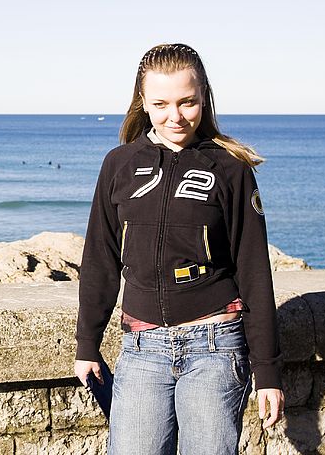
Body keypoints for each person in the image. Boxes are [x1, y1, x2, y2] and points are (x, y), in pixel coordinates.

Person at [73, 43, 285, 454]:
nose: (176, 116)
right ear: (143, 102)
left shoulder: (230, 169)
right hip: (141, 350)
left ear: (203, 96)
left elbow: (254, 271)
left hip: (216, 347)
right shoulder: (118, 164)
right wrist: (87, 344)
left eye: (187, 102)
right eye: (161, 103)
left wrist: (268, 371)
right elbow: (100, 258)